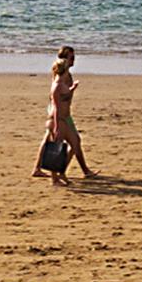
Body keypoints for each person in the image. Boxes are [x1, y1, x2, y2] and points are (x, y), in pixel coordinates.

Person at [35, 44, 94, 186]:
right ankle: (55, 176)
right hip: (57, 115)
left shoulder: (68, 76)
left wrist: (72, 89)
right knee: (56, 144)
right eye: (71, 57)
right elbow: (56, 99)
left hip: (65, 115)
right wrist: (56, 119)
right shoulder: (58, 78)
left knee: (73, 142)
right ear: (64, 60)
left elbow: (66, 95)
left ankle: (70, 171)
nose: (74, 60)